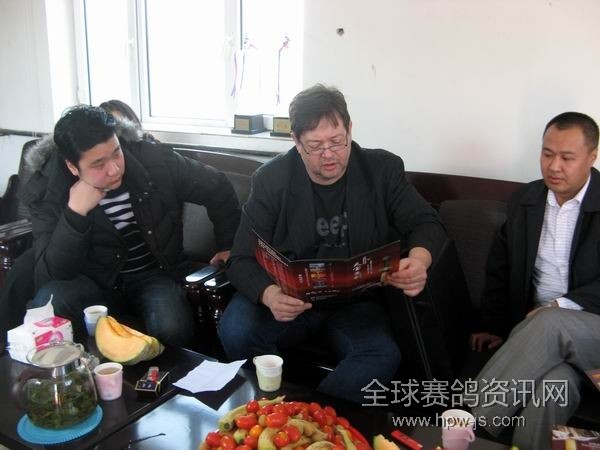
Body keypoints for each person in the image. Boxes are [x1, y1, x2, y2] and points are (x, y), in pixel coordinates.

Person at [218, 84, 446, 403]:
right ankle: (271, 408)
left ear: (350, 130)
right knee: (235, 330)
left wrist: (419, 260)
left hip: (357, 304)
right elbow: (241, 257)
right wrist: (270, 295)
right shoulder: (272, 180)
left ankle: (312, 418)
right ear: (296, 141)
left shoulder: (381, 170)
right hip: (289, 298)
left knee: (380, 354)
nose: (329, 154)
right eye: (315, 145)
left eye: (337, 141)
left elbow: (426, 222)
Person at [21, 105, 240, 346]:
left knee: (172, 327)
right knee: (50, 302)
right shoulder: (48, 190)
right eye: (98, 164)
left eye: (116, 153)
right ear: (73, 167)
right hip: (94, 281)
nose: (114, 169)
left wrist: (228, 245)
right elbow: (50, 276)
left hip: (155, 274)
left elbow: (217, 186)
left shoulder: (154, 160)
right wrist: (75, 214)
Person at [470, 112, 600, 450]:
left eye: (567, 157)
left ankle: (464, 426)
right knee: (553, 387)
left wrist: (558, 306)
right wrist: (492, 325)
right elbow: (500, 267)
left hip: (591, 333)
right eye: (547, 153)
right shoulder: (525, 200)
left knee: (551, 320)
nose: (554, 166)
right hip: (546, 337)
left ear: (592, 156)